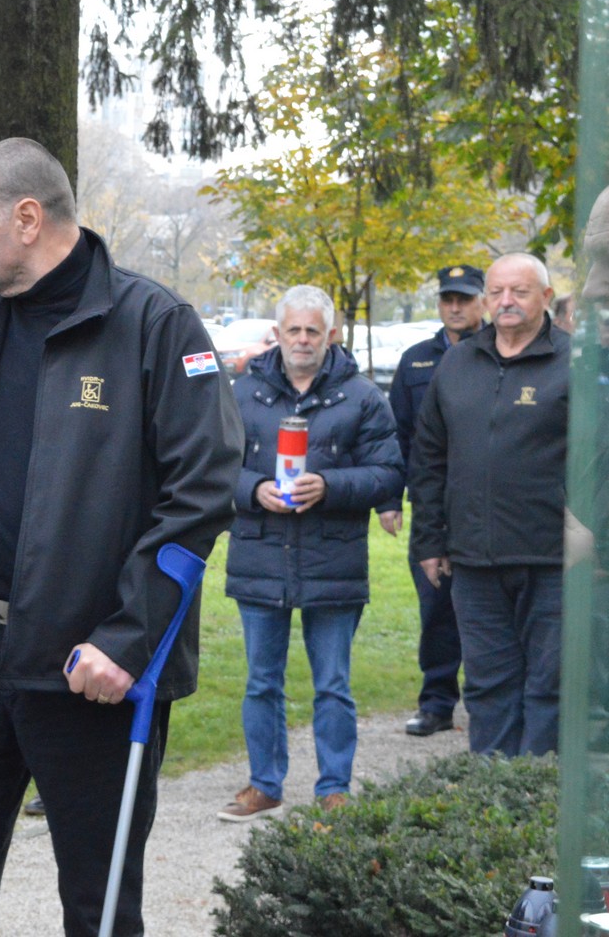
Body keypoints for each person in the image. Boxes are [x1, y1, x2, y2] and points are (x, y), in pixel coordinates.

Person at [0, 137, 243, 937]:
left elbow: (202, 493)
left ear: (26, 218)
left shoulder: (156, 324)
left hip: (91, 675)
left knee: (98, 904)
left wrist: (127, 640)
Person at [216, 286, 404, 821]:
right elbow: (212, 467)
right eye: (293, 330)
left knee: (333, 685)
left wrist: (329, 485)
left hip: (333, 559)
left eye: (312, 331)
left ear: (331, 335)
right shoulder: (243, 392)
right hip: (260, 555)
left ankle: (333, 787)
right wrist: (253, 490)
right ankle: (265, 783)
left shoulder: (361, 397)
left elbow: (390, 473)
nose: (302, 340)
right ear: (276, 334)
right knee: (261, 682)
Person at [411, 252, 569, 756]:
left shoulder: (577, 362)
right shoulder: (458, 363)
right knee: (488, 687)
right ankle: (495, 801)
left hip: (555, 558)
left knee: (550, 688)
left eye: (520, 292)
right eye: (497, 292)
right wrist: (430, 540)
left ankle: (541, 801)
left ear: (545, 298)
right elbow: (430, 457)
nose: (506, 301)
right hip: (473, 561)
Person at [377, 264, 486, 738]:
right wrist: (389, 499)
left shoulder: (496, 353)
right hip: (433, 507)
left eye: (464, 298)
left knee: (487, 610)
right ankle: (438, 701)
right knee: (436, 608)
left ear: (480, 300)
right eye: (448, 299)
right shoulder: (417, 359)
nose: (455, 307)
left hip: (484, 503)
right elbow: (398, 435)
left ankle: (490, 704)